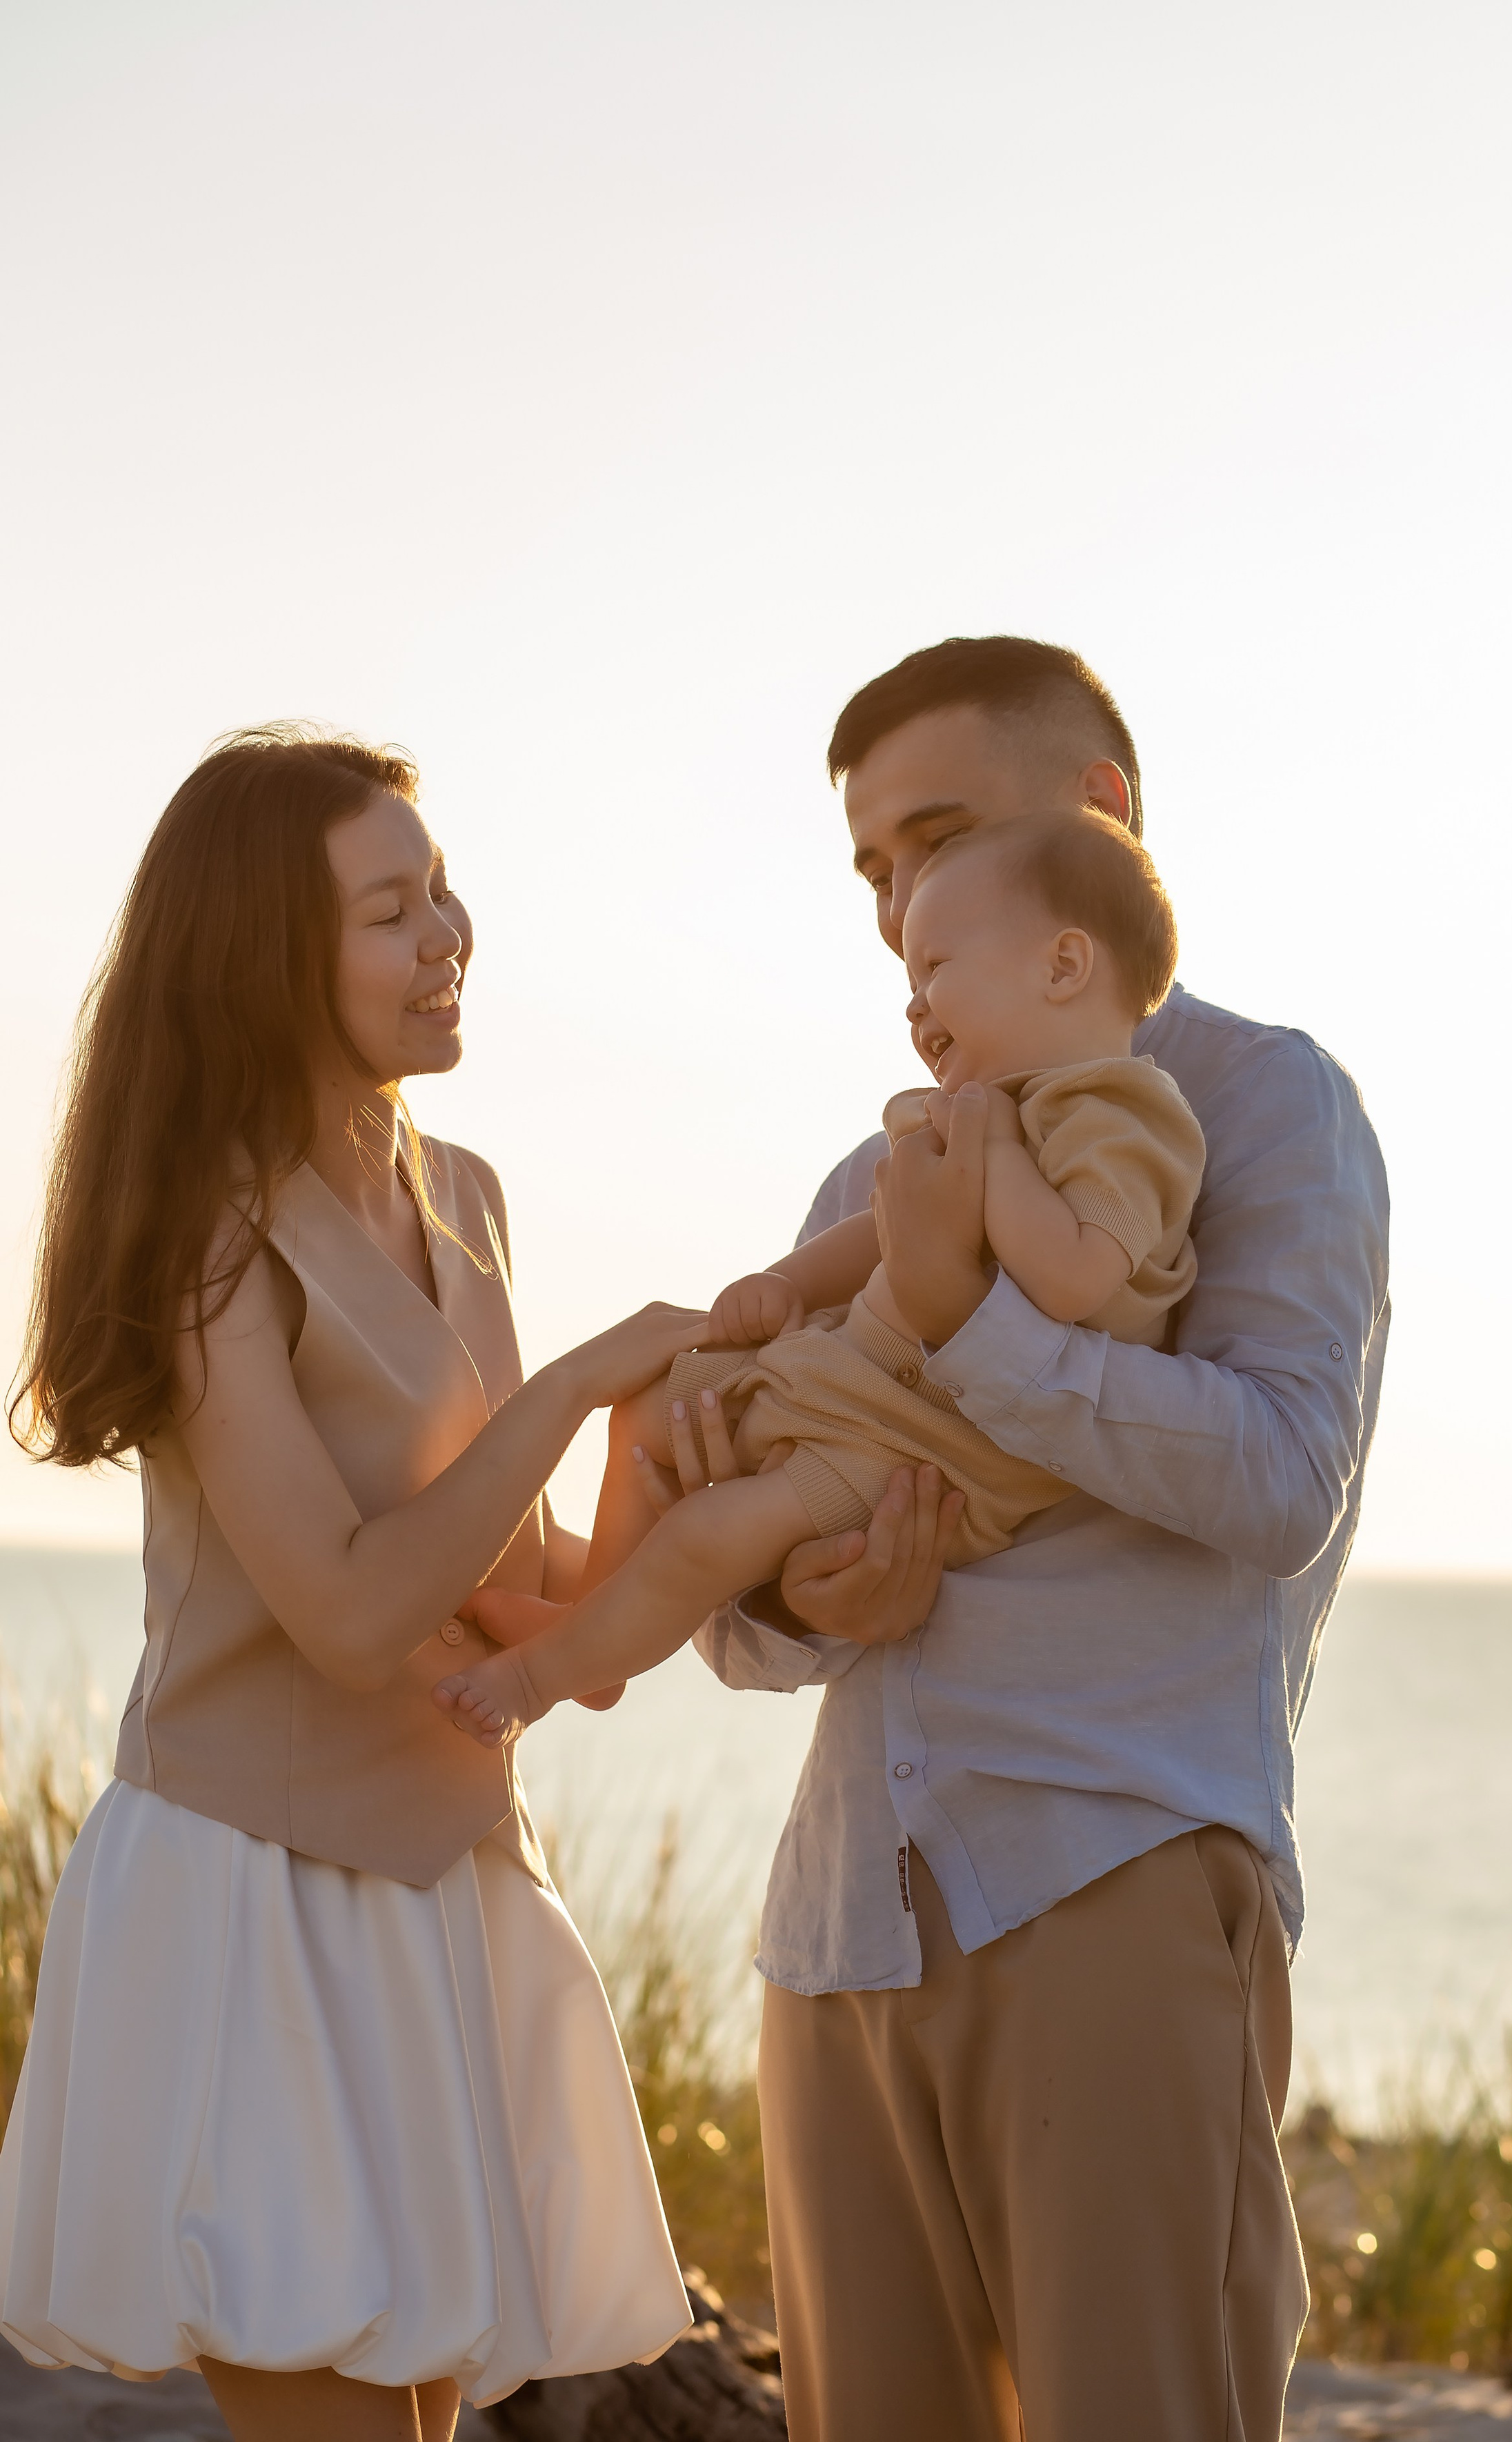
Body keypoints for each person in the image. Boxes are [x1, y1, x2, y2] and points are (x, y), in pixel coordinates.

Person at [693, 636, 1391, 2442]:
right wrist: (800, 1586)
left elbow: (1281, 1477)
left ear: (1102, 814)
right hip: (844, 1924)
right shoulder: (881, 1170)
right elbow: (749, 1632)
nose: (897, 906)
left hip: (1109, 1874)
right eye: (870, 868)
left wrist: (971, 1328)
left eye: (933, 838)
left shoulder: (1263, 1102)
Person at [0, 728, 704, 2441]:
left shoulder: (461, 1196)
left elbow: (537, 1604)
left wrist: (686, 1471)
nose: (446, 935)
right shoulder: (205, 1230)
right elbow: (348, 1610)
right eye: (391, 912)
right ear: (266, 957)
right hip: (250, 1907)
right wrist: (575, 1385)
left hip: (445, 1898)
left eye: (441, 891)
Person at [433, 808, 1205, 1749]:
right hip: (850, 1376)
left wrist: (995, 1151)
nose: (914, 1005)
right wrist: (788, 1284)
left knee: (713, 1533)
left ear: (1063, 966)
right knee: (648, 1408)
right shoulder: (986, 1109)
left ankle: (535, 1678)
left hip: (925, 1447)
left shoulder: (1119, 1113)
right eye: (909, 981)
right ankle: (591, 1622)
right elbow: (882, 1232)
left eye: (937, 967)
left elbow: (1078, 1278)